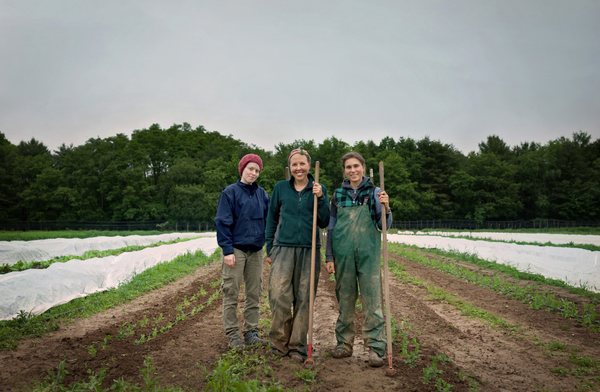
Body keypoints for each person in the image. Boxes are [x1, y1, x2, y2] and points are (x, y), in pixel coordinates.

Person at [325, 151, 392, 367]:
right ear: (344, 171)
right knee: (345, 299)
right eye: (348, 167)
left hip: (368, 254)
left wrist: (386, 207)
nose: (353, 170)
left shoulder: (375, 192)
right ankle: (344, 344)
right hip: (343, 253)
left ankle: (376, 348)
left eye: (356, 166)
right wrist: (329, 256)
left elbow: (384, 225)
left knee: (372, 299)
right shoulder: (337, 195)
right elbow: (332, 228)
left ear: (363, 167)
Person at [265, 148, 330, 363]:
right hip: (283, 248)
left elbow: (324, 221)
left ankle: (298, 347)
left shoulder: (318, 189)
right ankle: (278, 343)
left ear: (309, 165)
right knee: (279, 296)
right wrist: (269, 248)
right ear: (290, 167)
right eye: (294, 164)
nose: (298, 168)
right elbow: (271, 219)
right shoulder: (281, 188)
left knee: (304, 299)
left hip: (309, 248)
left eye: (302, 164)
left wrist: (320, 198)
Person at [215, 153, 269, 349]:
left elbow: (270, 219)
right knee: (231, 292)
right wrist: (227, 250)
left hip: (255, 251)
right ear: (242, 169)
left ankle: (251, 332)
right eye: (250, 169)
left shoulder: (262, 194)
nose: (253, 173)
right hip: (236, 250)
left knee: (254, 292)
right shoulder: (230, 193)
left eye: (257, 170)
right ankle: (232, 334)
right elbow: (222, 222)